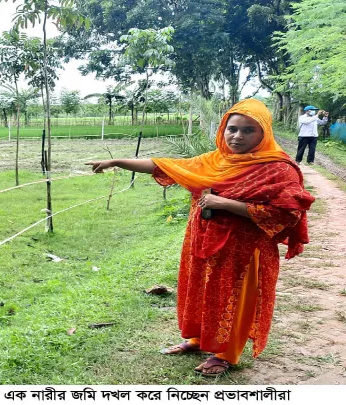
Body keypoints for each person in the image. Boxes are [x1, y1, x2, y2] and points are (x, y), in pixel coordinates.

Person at [85, 99, 314, 377]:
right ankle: (198, 339)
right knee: (202, 290)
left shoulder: (278, 168)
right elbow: (166, 165)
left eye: (248, 130)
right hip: (203, 240)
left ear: (264, 133)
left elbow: (285, 213)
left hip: (244, 249)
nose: (237, 136)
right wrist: (116, 161)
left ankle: (226, 353)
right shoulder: (214, 160)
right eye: (232, 129)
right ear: (223, 129)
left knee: (235, 297)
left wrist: (226, 204)